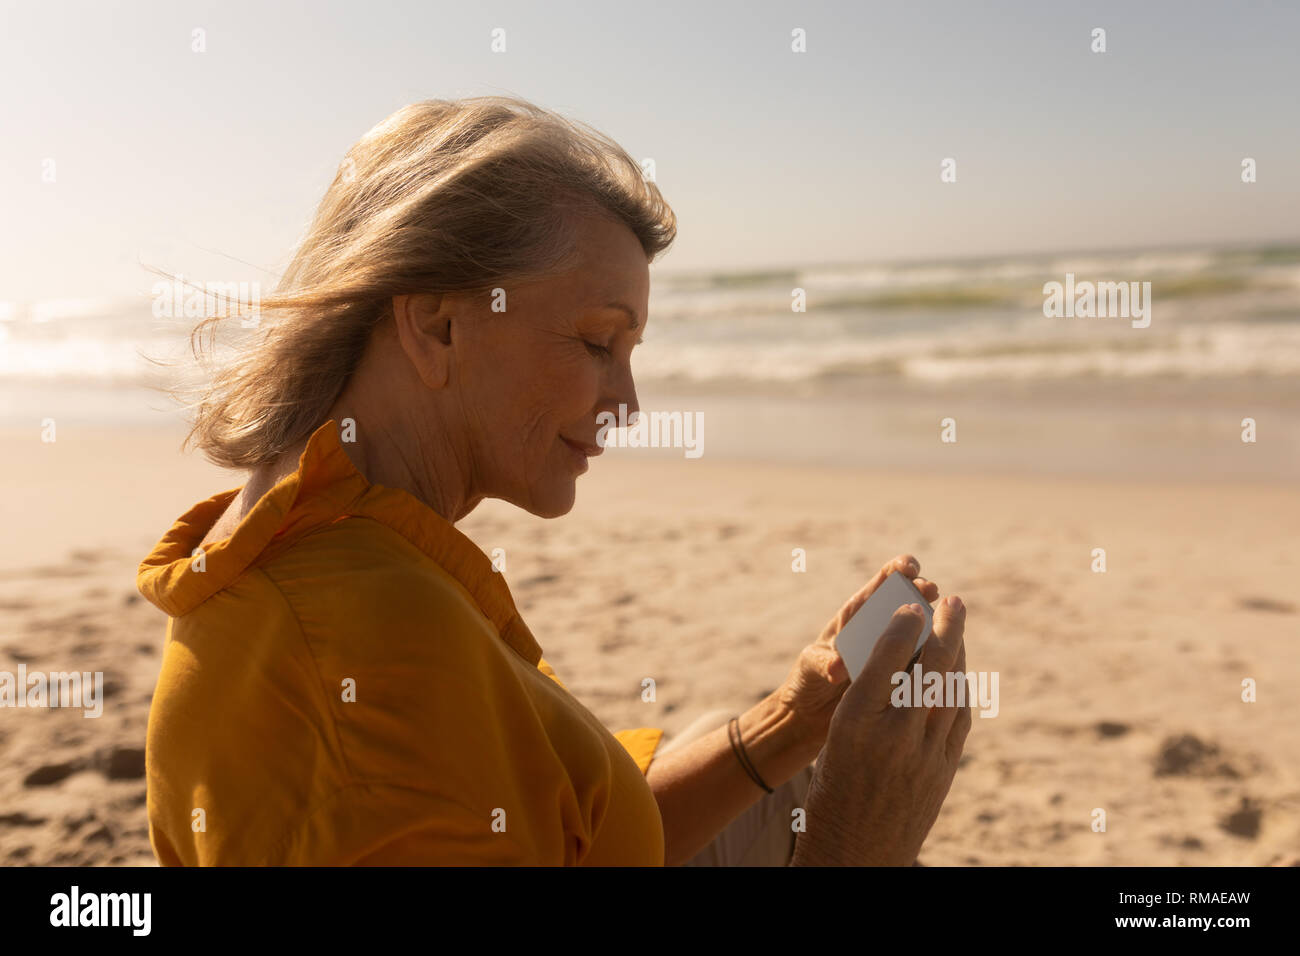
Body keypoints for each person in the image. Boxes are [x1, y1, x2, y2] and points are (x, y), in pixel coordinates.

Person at [137, 95, 970, 866]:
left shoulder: (327, 537)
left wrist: (789, 721)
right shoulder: (367, 641)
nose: (629, 402)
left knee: (756, 756)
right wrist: (861, 842)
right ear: (438, 324)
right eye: (599, 342)